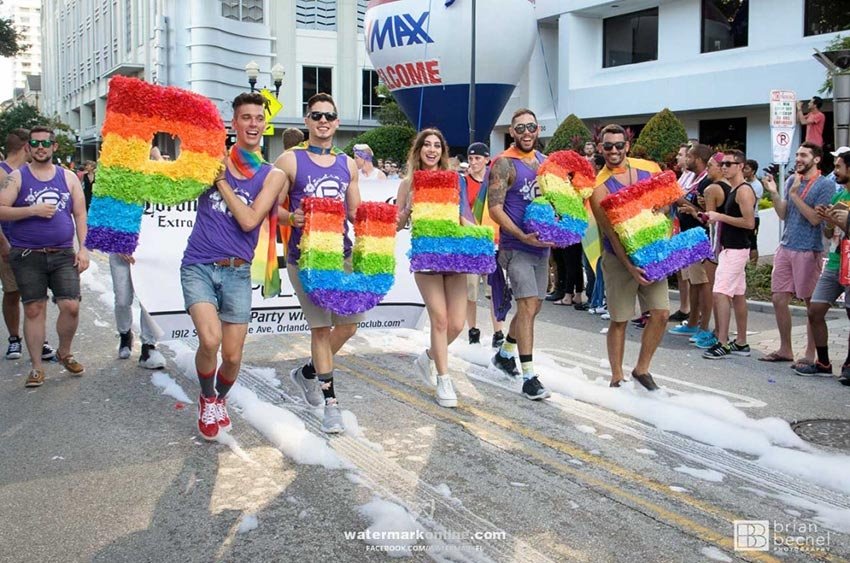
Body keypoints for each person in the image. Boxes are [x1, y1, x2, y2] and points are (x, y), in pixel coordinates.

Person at [181, 92, 286, 440]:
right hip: (198, 265)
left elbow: (250, 220)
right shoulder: (210, 161)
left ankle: (219, 400)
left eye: (258, 118)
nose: (253, 124)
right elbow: (172, 190)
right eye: (246, 117)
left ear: (265, 125)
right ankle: (207, 397)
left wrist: (221, 182)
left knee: (233, 355)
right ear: (234, 123)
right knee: (209, 341)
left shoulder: (273, 176)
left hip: (238, 271)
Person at [275, 93, 361, 432]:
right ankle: (331, 403)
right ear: (308, 121)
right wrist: (290, 217)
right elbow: (269, 206)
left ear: (337, 123)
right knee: (321, 328)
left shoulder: (348, 165)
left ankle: (308, 372)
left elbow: (355, 212)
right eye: (316, 116)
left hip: (342, 254)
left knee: (349, 325)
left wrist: (388, 223)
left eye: (328, 116)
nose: (323, 121)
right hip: (305, 259)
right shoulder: (289, 161)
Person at [0, 125, 89, 387]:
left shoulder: (68, 177)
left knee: (71, 306)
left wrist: (83, 248)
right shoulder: (17, 177)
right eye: (35, 144)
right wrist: (31, 210)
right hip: (27, 255)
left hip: (63, 253)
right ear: (28, 147)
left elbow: (80, 214)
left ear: (54, 147)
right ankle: (37, 367)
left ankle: (65, 352)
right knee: (34, 308)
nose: (40, 148)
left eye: (45, 144)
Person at [396, 129, 470, 408]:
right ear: (418, 150)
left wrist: (484, 238)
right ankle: (444, 378)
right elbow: (398, 224)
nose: (431, 150)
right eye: (426, 145)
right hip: (426, 258)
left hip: (454, 256)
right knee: (439, 319)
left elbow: (463, 216)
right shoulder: (408, 183)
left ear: (443, 150)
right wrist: (408, 209)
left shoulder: (455, 180)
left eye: (437, 145)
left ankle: (427, 358)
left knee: (457, 324)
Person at [589, 124, 667, 390]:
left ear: (627, 146)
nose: (614, 151)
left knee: (662, 313)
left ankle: (642, 369)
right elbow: (610, 234)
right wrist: (631, 269)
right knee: (620, 319)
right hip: (618, 258)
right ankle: (616, 376)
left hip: (652, 254)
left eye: (619, 145)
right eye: (608, 146)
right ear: (601, 148)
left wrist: (660, 207)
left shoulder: (648, 169)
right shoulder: (598, 186)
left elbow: (667, 202)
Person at [488, 108, 553, 400]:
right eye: (520, 128)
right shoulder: (504, 164)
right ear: (512, 132)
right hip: (516, 248)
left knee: (533, 308)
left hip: (542, 247)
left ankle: (505, 353)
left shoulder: (546, 163)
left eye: (531, 127)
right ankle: (529, 377)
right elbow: (495, 208)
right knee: (527, 307)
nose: (526, 132)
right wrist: (519, 234)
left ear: (538, 130)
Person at [760, 142, 835, 366]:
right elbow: (784, 214)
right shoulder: (793, 180)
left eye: (803, 155)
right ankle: (785, 349)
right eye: (797, 155)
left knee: (812, 304)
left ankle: (811, 353)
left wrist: (794, 195)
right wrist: (774, 194)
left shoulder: (825, 185)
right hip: (786, 246)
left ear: (817, 159)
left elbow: (815, 219)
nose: (798, 159)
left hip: (808, 249)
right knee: (778, 298)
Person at [1, 129, 58, 363]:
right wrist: (3, 243)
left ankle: (39, 339)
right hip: (7, 244)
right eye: (34, 144)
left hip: (30, 245)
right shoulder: (4, 173)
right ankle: (14, 338)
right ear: (26, 147)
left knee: (35, 296)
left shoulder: (29, 173)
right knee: (13, 292)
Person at [701, 150, 756, 359]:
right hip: (730, 248)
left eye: (728, 164)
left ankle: (722, 342)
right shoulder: (735, 189)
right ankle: (741, 342)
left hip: (736, 249)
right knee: (738, 295)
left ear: (740, 166)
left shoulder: (743, 191)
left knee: (720, 293)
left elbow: (749, 223)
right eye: (722, 164)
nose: (724, 167)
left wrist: (720, 216)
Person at [800, 152, 850, 376]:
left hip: (849, 263)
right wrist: (829, 220)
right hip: (835, 262)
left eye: (839, 167)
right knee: (816, 310)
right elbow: (830, 233)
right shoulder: (840, 194)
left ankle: (848, 365)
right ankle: (823, 362)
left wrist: (840, 219)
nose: (835, 171)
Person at [462, 142, 504, 345]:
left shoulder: (494, 182)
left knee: (493, 290)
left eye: (477, 158)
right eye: (470, 158)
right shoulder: (463, 182)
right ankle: (472, 330)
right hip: (471, 243)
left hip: (493, 242)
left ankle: (498, 333)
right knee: (470, 291)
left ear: (487, 159)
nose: (473, 162)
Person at [742, 159, 764, 263]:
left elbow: (751, 203)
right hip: (743, 217)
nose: (744, 171)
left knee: (753, 243)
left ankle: (753, 267)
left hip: (753, 217)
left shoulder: (757, 185)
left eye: (747, 169)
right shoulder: (743, 182)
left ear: (753, 171)